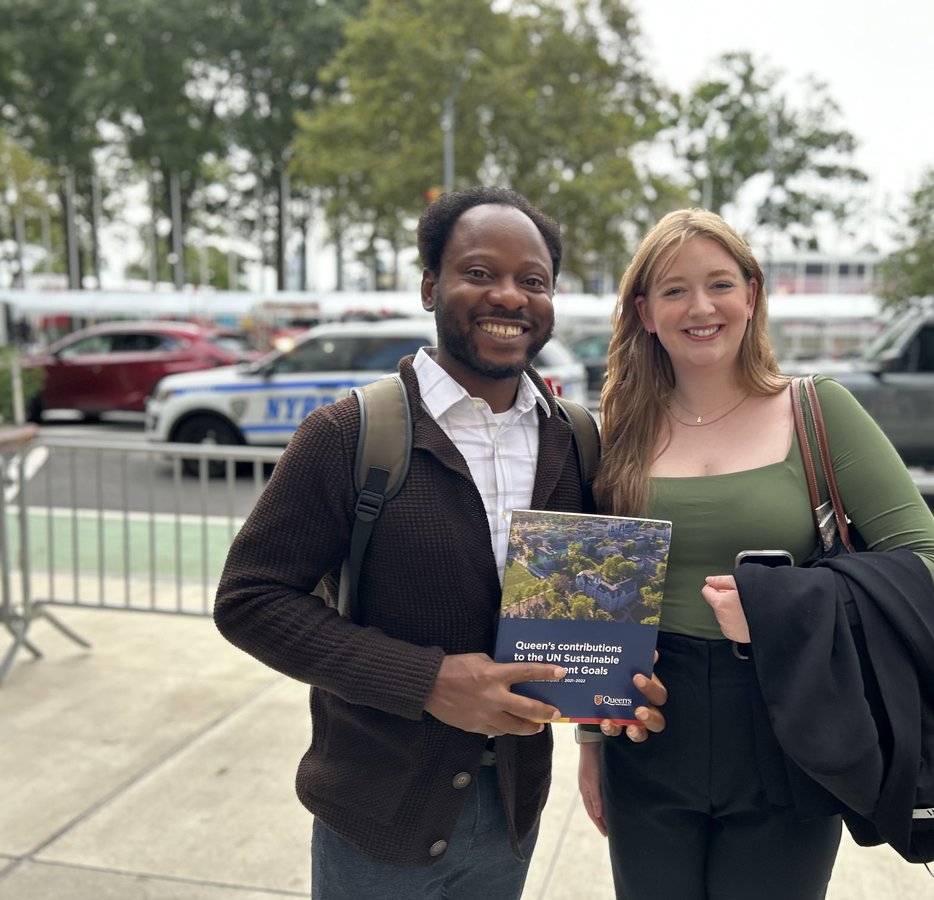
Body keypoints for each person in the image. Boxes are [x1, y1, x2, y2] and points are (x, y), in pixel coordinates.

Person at [213, 186, 664, 900]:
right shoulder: (348, 434)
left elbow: (582, 616)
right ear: (431, 286)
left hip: (512, 813)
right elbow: (249, 600)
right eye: (480, 273)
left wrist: (607, 703)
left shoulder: (575, 440)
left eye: (533, 280)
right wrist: (425, 682)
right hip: (377, 815)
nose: (510, 297)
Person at [576, 208, 934, 900]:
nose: (701, 307)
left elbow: (929, 565)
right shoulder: (617, 428)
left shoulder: (817, 411)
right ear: (644, 311)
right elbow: (602, 597)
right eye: (674, 290)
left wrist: (781, 611)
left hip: (792, 713)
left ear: (751, 296)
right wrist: (591, 744)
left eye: (720, 284)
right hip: (651, 727)